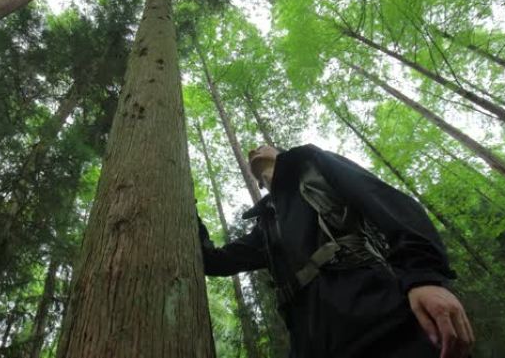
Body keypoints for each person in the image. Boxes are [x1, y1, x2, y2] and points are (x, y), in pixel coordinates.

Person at [197, 144, 474, 358]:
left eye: (262, 145)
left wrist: (424, 277)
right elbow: (215, 262)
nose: (253, 150)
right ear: (257, 182)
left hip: (382, 321)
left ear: (280, 153)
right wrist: (189, 212)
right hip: (312, 345)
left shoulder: (312, 166)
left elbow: (385, 201)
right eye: (250, 155)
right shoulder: (266, 225)